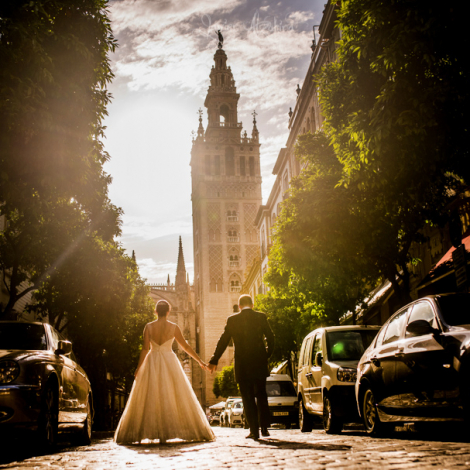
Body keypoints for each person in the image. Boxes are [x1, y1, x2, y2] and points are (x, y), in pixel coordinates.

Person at [114, 300, 215, 444]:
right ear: (168, 311)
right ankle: (171, 430)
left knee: (151, 395)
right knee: (173, 393)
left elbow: (144, 349)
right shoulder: (173, 327)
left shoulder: (148, 327)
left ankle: (152, 431)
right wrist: (199, 361)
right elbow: (186, 346)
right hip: (169, 360)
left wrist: (138, 368)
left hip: (152, 360)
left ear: (155, 311)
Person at [208, 294, 275, 440]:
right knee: (262, 395)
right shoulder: (261, 317)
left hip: (242, 364)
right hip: (259, 362)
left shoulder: (233, 320)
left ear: (239, 306)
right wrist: (266, 355)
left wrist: (214, 359)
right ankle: (264, 428)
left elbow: (223, 341)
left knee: (247, 397)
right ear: (252, 304)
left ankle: (254, 431)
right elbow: (271, 337)